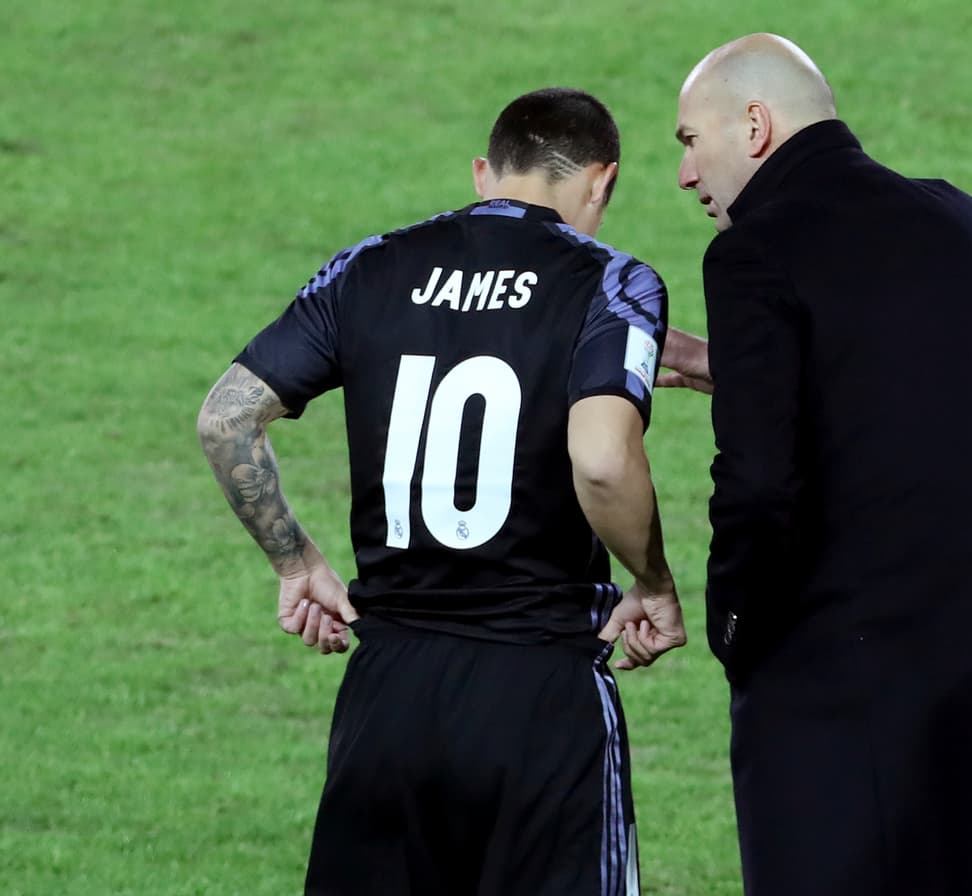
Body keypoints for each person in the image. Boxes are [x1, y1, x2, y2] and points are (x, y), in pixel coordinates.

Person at [197, 87, 686, 896]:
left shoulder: (371, 265)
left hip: (386, 694)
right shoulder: (611, 281)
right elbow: (601, 461)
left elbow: (225, 420)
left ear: (484, 174)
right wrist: (654, 583)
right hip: (539, 696)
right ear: (600, 182)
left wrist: (296, 563)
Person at [662, 34, 972, 895]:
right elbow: (900, 373)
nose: (687, 176)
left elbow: (762, 486)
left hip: (838, 689)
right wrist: (735, 364)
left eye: (691, 142)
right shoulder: (961, 221)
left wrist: (733, 629)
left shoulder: (752, 251)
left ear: (756, 125)